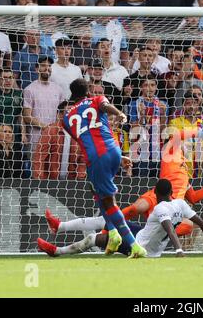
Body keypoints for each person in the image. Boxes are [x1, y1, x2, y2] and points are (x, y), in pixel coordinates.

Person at [43, 127, 203, 237]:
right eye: (187, 144)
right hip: (156, 198)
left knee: (187, 226)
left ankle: (148, 235)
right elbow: (177, 136)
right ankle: (103, 229)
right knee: (132, 210)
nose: (188, 146)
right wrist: (201, 132)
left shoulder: (185, 172)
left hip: (172, 208)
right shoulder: (170, 156)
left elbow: (193, 197)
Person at [62, 78, 146, 258]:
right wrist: (120, 114)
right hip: (113, 150)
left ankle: (134, 245)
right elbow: (106, 106)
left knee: (109, 202)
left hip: (95, 156)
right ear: (88, 92)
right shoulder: (97, 99)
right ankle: (113, 233)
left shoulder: (66, 118)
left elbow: (81, 138)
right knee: (95, 188)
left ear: (72, 97)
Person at [37, 178, 203, 258]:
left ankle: (57, 251)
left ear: (155, 193)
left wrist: (178, 251)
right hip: (143, 235)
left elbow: (169, 229)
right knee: (109, 218)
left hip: (140, 246)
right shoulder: (181, 204)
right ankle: (59, 226)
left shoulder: (159, 208)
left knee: (93, 238)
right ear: (172, 192)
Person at [32, 101, 86, 180]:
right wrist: (39, 180)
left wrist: (79, 180)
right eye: (68, 111)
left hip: (71, 183)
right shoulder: (50, 131)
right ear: (59, 115)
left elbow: (83, 160)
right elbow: (39, 157)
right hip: (49, 181)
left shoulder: (80, 133)